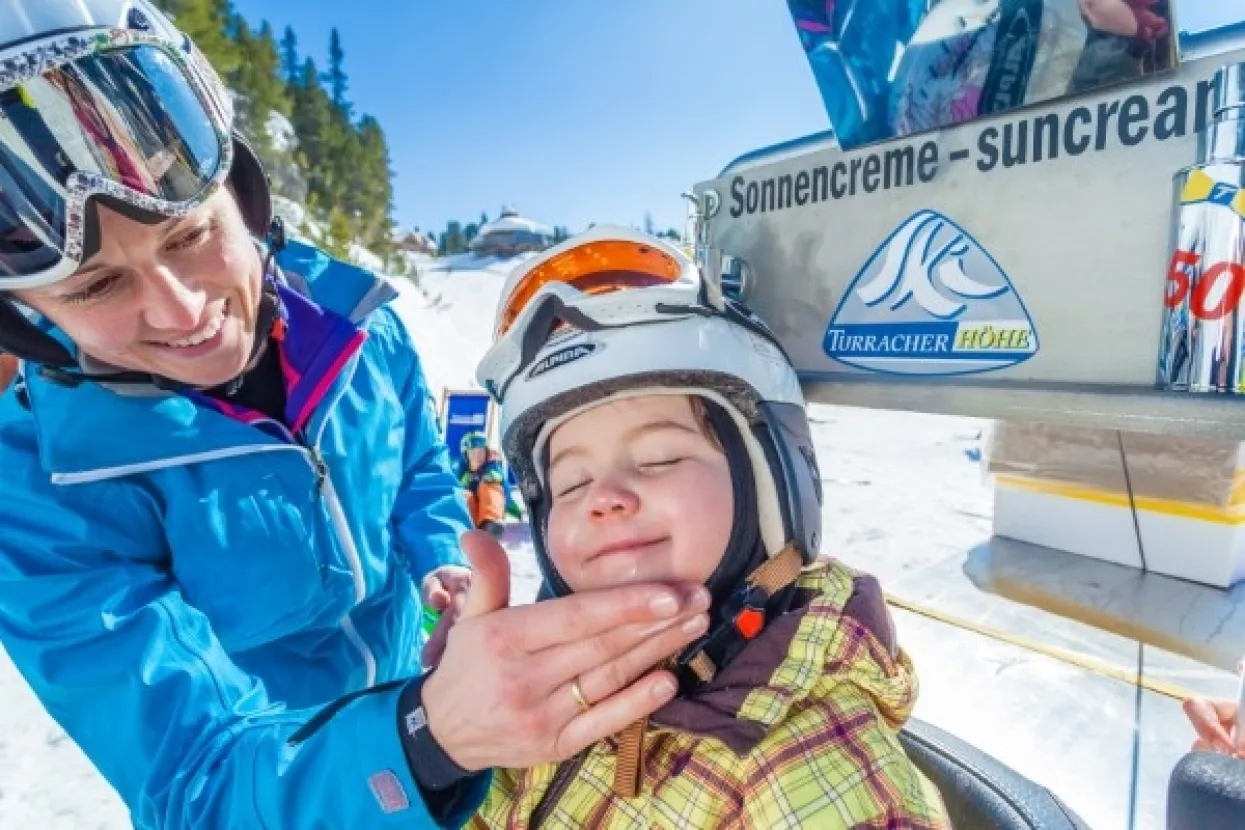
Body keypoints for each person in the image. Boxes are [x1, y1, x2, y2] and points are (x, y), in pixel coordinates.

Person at [0, 4, 711, 827]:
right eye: (96, 286)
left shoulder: (363, 328)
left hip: (430, 694)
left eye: (189, 237)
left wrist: (440, 557)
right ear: (27, 315)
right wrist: (423, 741)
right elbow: (194, 777)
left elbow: (418, 470)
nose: (182, 311)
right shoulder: (39, 487)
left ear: (241, 194)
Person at [468, 226, 951, 827]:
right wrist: (444, 743)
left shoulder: (802, 752)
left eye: (659, 458)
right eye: (570, 484)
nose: (605, 499)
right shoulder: (544, 694)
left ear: (774, 488)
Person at [454, 430, 507, 539]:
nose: (477, 456)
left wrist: (492, 477)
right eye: (473, 452)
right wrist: (462, 483)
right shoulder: (459, 470)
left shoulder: (492, 467)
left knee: (489, 486)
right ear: (466, 454)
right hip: (471, 517)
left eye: (481, 452)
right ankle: (465, 530)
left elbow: (504, 488)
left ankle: (491, 525)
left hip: (488, 516)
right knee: (463, 495)